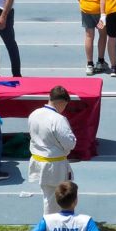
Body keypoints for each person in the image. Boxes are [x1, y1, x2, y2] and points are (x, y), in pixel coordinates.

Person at [28, 86, 80, 215]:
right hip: (54, 166)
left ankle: (52, 224)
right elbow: (70, 143)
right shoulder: (58, 119)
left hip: (38, 161)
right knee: (54, 199)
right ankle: (51, 225)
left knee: (48, 196)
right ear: (61, 102)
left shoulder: (34, 114)